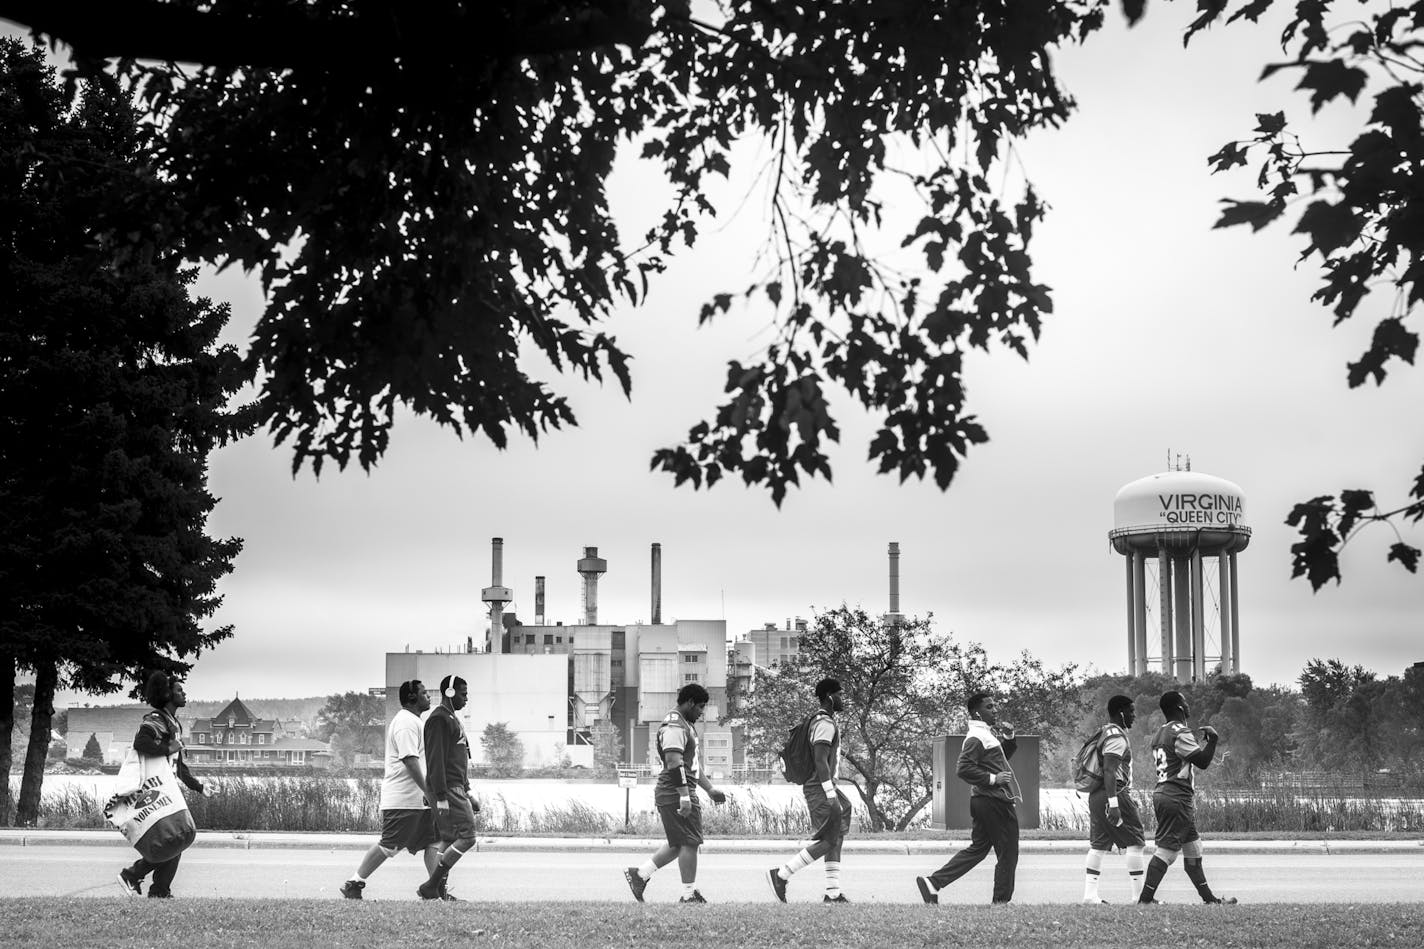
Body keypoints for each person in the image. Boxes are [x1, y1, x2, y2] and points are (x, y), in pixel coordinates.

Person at [622, 683, 727, 903]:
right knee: (690, 842)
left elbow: (691, 766)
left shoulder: (685, 725)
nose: (701, 712)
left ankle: (640, 875)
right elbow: (673, 761)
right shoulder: (675, 727)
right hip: (675, 791)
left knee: (680, 842)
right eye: (700, 707)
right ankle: (688, 896)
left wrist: (710, 789)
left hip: (677, 790)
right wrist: (685, 796)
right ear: (689, 702)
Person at [915, 691, 1019, 904]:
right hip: (993, 801)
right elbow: (963, 769)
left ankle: (933, 883)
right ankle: (1001, 903)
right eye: (989, 707)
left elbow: (999, 761)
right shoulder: (976, 737)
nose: (995, 710)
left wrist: (1009, 738)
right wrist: (993, 779)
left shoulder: (986, 734)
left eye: (994, 706)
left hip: (985, 801)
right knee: (1008, 852)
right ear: (977, 713)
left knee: (978, 849)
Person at [340, 680, 441, 899]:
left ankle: (435, 891)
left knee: (434, 841)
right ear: (412, 698)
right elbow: (410, 761)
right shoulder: (405, 723)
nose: (428, 696)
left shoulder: (414, 721)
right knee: (390, 845)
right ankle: (354, 883)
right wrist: (429, 792)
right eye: (424, 693)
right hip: (403, 799)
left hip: (418, 801)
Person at [1138, 690, 1237, 905]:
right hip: (1177, 796)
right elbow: (1201, 761)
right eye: (1185, 702)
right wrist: (1212, 741)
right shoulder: (1180, 732)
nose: (1188, 705)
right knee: (1167, 851)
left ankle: (1210, 900)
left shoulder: (1159, 733)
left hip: (1164, 792)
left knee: (1193, 848)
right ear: (1181, 707)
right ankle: (1145, 900)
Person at [115, 671, 205, 898]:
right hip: (153, 790)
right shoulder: (156, 720)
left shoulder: (174, 724)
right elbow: (141, 742)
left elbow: (180, 767)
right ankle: (135, 876)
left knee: (177, 839)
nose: (184, 693)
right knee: (174, 839)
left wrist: (200, 787)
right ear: (167, 694)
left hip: (168, 790)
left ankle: (158, 890)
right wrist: (167, 749)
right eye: (179, 690)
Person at [766, 677, 852, 903]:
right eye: (839, 694)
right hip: (820, 787)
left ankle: (832, 893)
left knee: (837, 835)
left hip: (825, 785)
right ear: (829, 697)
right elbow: (820, 759)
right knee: (829, 840)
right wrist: (830, 794)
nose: (842, 699)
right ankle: (782, 874)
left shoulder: (821, 720)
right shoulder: (824, 723)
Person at [416, 674, 479, 901]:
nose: (466, 699)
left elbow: (458, 759)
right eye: (463, 694)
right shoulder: (438, 720)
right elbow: (436, 760)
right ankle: (432, 886)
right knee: (468, 837)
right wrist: (441, 796)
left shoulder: (451, 718)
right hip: (448, 789)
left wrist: (468, 791)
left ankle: (438, 890)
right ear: (450, 692)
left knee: (451, 837)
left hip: (456, 787)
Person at [1082, 694, 1147, 903]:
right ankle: (1139, 897)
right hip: (1114, 793)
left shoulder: (1103, 732)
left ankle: (1090, 896)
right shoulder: (1116, 736)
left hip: (1096, 795)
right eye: (1131, 711)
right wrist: (1114, 804)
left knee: (1098, 845)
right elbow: (1110, 770)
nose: (1134, 716)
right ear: (1121, 712)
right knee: (1136, 842)